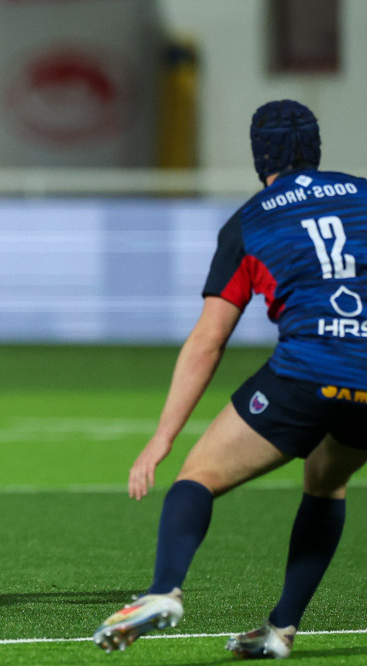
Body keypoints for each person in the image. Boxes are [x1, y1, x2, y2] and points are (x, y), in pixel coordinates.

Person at [93, 100, 367, 658]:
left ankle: (163, 591)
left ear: (259, 154)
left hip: (306, 373)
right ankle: (280, 630)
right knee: (326, 479)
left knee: (199, 476)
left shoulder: (250, 220)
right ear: (315, 148)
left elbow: (208, 341)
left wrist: (162, 438)